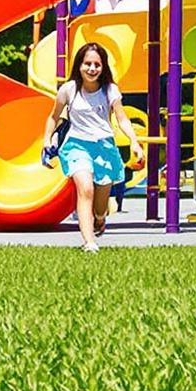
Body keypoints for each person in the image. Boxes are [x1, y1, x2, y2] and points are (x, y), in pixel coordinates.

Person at [42, 41, 125, 251]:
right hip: (77, 146)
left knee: (100, 203)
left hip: (104, 146)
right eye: (87, 63)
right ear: (79, 65)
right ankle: (89, 242)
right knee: (85, 188)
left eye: (97, 64)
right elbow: (53, 117)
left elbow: (122, 118)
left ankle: (99, 217)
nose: (92, 68)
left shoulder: (110, 90)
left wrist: (134, 142)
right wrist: (46, 139)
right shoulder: (69, 89)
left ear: (103, 67)